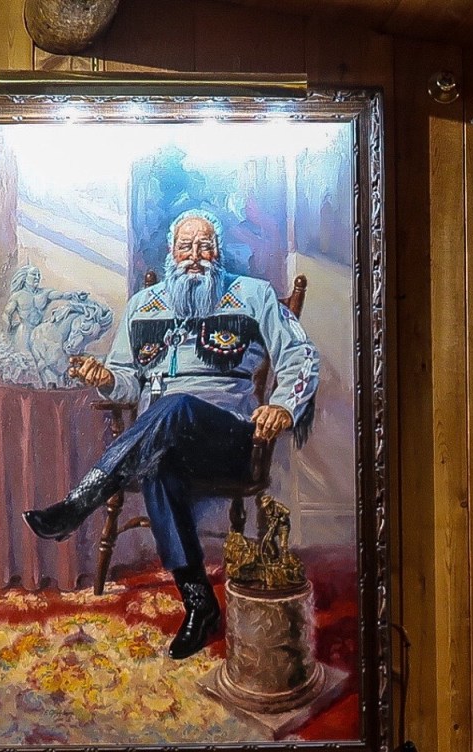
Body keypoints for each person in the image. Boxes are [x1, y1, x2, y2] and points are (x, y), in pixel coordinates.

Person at [23, 208, 319, 660]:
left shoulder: (253, 295)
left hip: (231, 438)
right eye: (185, 246)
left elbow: (301, 355)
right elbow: (126, 380)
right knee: (158, 464)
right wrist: (106, 377)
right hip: (163, 441)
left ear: (218, 252)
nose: (195, 255)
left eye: (204, 246)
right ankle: (199, 603)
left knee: (175, 405)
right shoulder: (144, 305)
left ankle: (80, 502)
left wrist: (282, 405)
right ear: (171, 253)